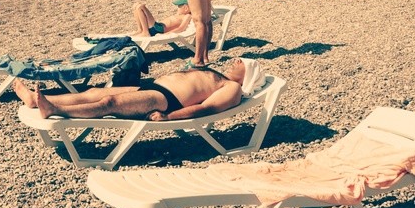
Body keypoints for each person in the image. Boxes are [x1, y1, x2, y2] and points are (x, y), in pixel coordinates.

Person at [14, 58, 260, 121]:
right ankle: (36, 100)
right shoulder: (218, 75)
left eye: (243, 62)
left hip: (166, 100)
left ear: (248, 76)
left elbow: (206, 109)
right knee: (94, 92)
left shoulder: (232, 88)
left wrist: (169, 117)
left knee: (109, 103)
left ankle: (54, 109)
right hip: (154, 87)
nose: (237, 60)